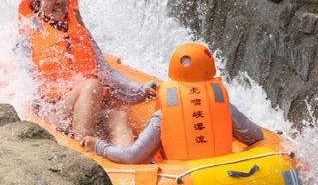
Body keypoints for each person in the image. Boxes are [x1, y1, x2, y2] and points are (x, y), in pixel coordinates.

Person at [17, 0, 154, 144]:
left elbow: (105, 70)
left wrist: (138, 91)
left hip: (84, 107)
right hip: (54, 110)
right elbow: (24, 81)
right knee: (92, 85)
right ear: (37, 4)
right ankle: (82, 148)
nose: (59, 1)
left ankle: (131, 165)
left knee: (118, 116)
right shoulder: (28, 38)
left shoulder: (81, 32)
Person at [83, 43, 264, 163]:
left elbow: (132, 156)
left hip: (180, 183)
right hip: (225, 174)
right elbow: (254, 136)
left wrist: (98, 145)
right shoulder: (222, 104)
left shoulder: (163, 114)